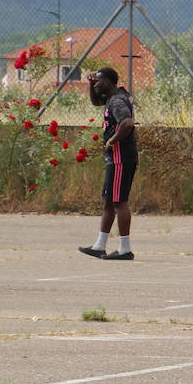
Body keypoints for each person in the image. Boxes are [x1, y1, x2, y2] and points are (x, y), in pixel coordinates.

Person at [77, 67, 137, 261]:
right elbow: (95, 101)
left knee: (119, 201)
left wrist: (112, 141)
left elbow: (127, 124)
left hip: (121, 157)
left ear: (110, 81)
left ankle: (125, 249)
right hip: (116, 158)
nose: (96, 84)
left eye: (99, 81)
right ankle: (100, 245)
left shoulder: (117, 100)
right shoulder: (112, 96)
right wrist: (90, 84)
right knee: (108, 201)